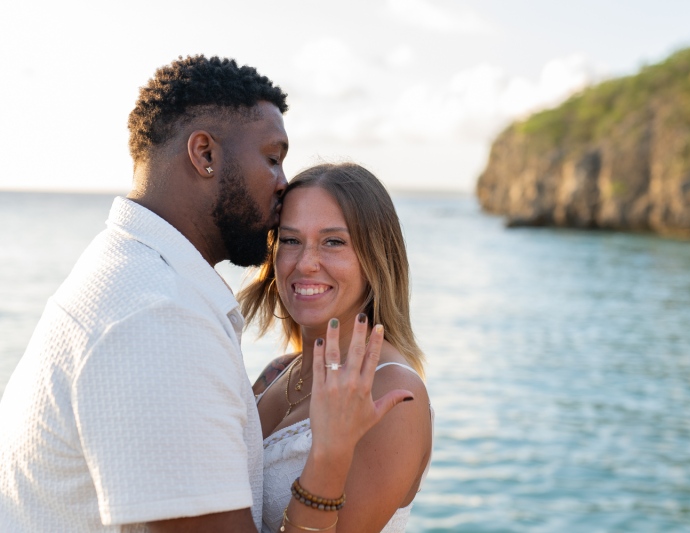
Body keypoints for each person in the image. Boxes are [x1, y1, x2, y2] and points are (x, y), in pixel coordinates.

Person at [0, 56, 411, 533]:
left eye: (334, 241)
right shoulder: (158, 319)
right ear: (205, 154)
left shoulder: (129, 276)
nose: (282, 183)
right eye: (272, 158)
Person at [238, 163, 433, 533]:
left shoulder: (393, 395)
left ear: (376, 258)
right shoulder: (276, 373)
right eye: (291, 240)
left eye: (333, 242)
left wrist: (329, 453)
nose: (306, 263)